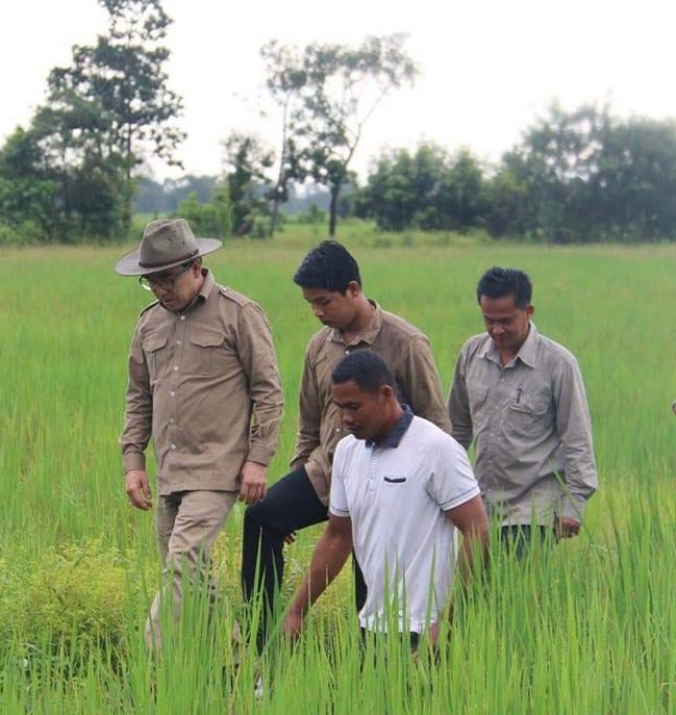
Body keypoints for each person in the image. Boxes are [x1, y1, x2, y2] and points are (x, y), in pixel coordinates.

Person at [241, 240, 450, 651]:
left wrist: (430, 500)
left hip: (386, 484)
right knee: (262, 518)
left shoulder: (405, 342)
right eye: (311, 304)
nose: (318, 312)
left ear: (353, 289)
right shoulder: (320, 345)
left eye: (324, 302)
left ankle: (371, 662)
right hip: (327, 471)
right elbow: (309, 422)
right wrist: (296, 481)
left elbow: (437, 424)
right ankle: (263, 641)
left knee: (369, 579)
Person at [117, 218, 284, 651]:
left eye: (168, 279)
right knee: (191, 578)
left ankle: (148, 663)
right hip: (170, 470)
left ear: (196, 266)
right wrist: (133, 461)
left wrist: (258, 460)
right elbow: (138, 396)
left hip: (217, 469)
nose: (160, 290)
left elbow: (268, 392)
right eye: (151, 282)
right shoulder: (149, 324)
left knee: (182, 563)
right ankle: (237, 665)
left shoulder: (238, 314)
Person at [283, 350, 488, 651]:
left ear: (386, 395)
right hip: (373, 623)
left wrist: (447, 622)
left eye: (354, 407)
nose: (346, 418)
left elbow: (477, 529)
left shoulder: (435, 448)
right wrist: (298, 610)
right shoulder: (347, 452)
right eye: (340, 408)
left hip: (424, 627)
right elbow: (338, 536)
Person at [448, 267, 598, 554]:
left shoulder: (558, 364)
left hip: (533, 510)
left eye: (506, 321)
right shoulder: (471, 353)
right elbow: (457, 429)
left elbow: (576, 438)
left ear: (528, 311)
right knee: (471, 582)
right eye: (489, 320)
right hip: (479, 506)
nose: (497, 330)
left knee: (521, 583)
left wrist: (574, 504)